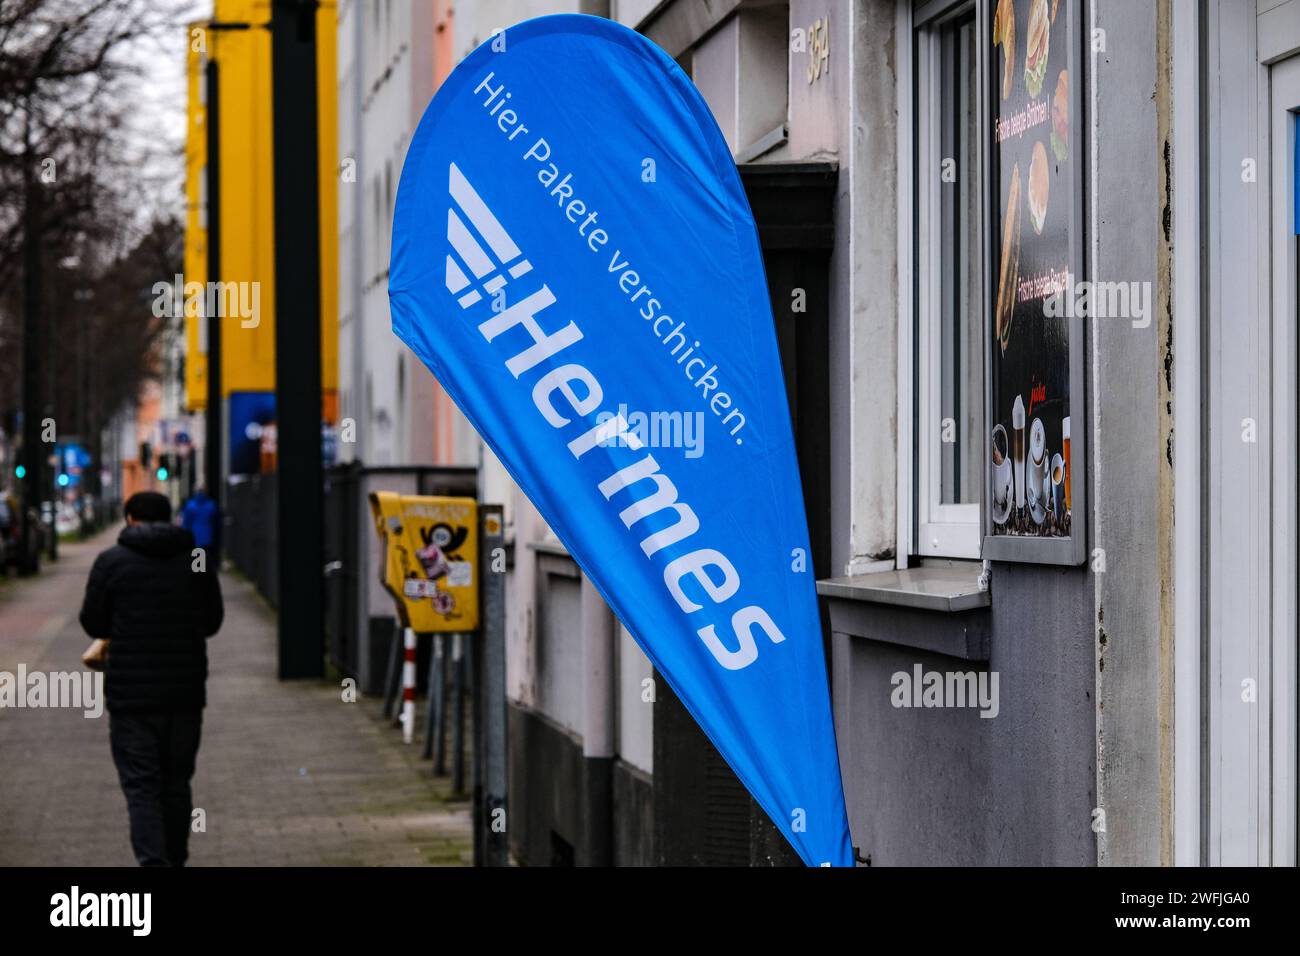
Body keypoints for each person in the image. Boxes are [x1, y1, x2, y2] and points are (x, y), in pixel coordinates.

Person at [79, 490, 223, 867]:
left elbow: (92, 622)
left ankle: (153, 864)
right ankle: (176, 860)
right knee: (176, 783)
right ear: (170, 517)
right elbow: (212, 621)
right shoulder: (195, 559)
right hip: (185, 693)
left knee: (142, 786)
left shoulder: (111, 561)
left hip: (132, 699)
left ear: (129, 519)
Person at [179, 486, 218, 551]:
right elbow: (215, 522)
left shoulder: (190, 505)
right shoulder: (211, 505)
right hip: (208, 535)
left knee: (196, 557)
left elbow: (186, 522)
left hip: (194, 535)